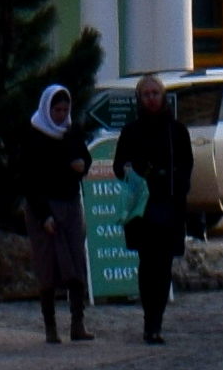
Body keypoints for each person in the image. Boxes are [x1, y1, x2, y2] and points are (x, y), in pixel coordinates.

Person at [10, 48, 104, 341]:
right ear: (47, 108)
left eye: (65, 110)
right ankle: (50, 327)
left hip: (70, 204)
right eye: (57, 110)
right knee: (48, 267)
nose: (61, 115)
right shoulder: (34, 136)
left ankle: (78, 323)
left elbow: (84, 159)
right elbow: (29, 178)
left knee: (75, 262)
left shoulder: (71, 132)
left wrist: (81, 165)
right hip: (44, 208)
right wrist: (44, 214)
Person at [112, 73, 196, 343]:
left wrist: (173, 183)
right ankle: (149, 322)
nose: (151, 98)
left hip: (168, 206)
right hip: (142, 209)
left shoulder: (177, 130)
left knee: (164, 266)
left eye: (155, 93)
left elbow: (187, 165)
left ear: (163, 96)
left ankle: (157, 321)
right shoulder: (131, 131)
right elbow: (118, 166)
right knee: (148, 265)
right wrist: (134, 172)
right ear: (139, 98)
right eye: (146, 94)